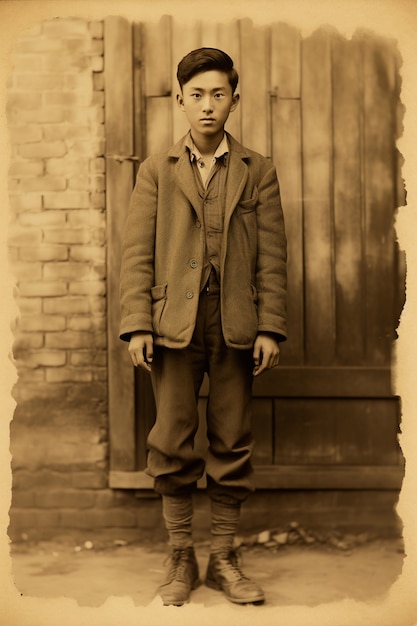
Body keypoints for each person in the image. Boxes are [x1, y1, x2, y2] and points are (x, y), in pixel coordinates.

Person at [119, 47, 287, 606]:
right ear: (180, 101)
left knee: (232, 437)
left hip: (235, 322)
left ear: (234, 100)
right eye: (196, 95)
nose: (208, 106)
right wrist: (138, 323)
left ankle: (223, 557)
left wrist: (270, 327)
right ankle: (180, 556)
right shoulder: (156, 171)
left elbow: (273, 258)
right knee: (172, 438)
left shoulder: (257, 169)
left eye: (219, 94)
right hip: (172, 325)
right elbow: (137, 253)